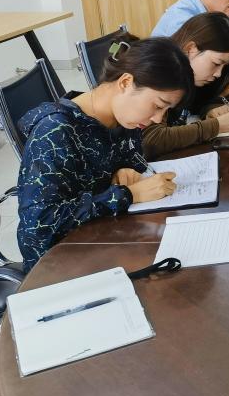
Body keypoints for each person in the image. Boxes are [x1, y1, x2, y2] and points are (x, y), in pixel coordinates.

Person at [16, 38, 195, 272]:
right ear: (126, 82)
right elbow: (38, 226)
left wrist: (125, 170)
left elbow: (126, 161)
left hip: (109, 240)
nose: (158, 118)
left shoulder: (124, 119)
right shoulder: (56, 130)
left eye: (166, 110)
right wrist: (127, 195)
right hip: (61, 267)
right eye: (158, 105)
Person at [141, 13, 229, 159]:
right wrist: (216, 126)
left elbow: (198, 100)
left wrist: (210, 108)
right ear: (191, 49)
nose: (219, 74)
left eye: (224, 67)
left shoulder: (189, 76)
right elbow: (152, 140)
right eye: (216, 63)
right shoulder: (159, 71)